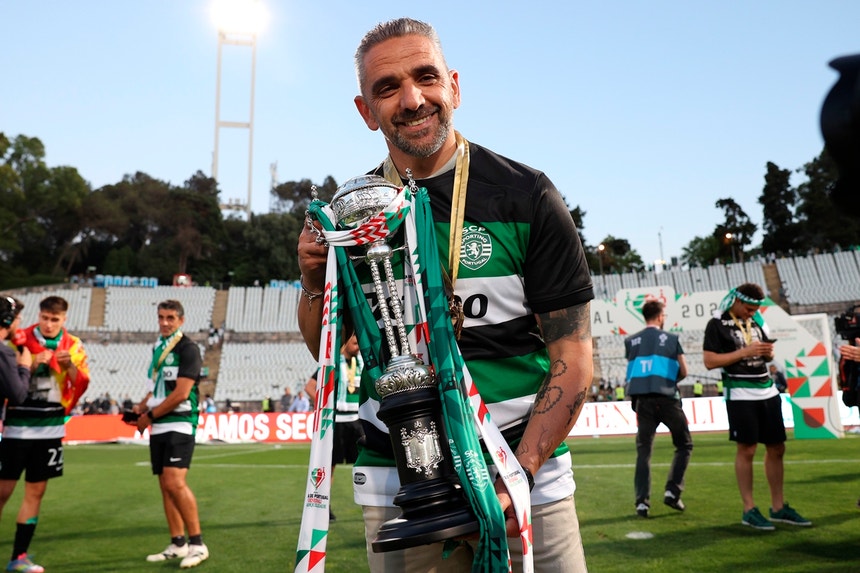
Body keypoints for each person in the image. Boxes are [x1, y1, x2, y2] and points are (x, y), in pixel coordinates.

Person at [296, 17, 594, 572]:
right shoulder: (352, 216)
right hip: (397, 484)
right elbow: (328, 351)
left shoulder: (526, 194)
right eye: (388, 87)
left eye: (426, 77)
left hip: (523, 474)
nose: (412, 100)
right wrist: (314, 282)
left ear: (453, 87)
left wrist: (519, 474)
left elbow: (573, 357)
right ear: (366, 111)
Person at [703, 283, 811, 531]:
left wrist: (767, 353)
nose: (752, 313)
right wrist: (745, 352)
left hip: (767, 390)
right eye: (749, 308)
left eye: (755, 309)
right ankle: (749, 509)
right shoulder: (716, 323)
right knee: (747, 449)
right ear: (737, 301)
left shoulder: (758, 321)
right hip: (739, 392)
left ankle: (778, 507)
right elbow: (709, 361)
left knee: (777, 447)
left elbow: (766, 356)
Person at [0, 295, 90, 573]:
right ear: (38, 316)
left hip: (50, 429)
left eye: (55, 319)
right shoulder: (19, 338)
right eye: (45, 318)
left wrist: (69, 366)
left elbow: (81, 383)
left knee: (35, 492)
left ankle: (19, 557)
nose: (49, 324)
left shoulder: (73, 345)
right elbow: (6, 375)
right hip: (16, 427)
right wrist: (29, 362)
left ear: (64, 319)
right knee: (2, 491)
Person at [130, 300, 209, 568]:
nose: (164, 322)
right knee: (165, 485)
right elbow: (156, 388)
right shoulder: (158, 347)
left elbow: (182, 393)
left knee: (175, 482)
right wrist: (141, 407)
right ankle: (178, 543)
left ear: (181, 321)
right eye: (161, 317)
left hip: (181, 422)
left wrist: (149, 416)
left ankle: (197, 544)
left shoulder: (188, 348)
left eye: (170, 318)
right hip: (160, 424)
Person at [624, 299, 692, 518]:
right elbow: (684, 371)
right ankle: (673, 491)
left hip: (643, 401)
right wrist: (668, 380)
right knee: (684, 444)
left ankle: (641, 503)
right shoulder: (671, 339)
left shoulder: (631, 341)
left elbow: (633, 371)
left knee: (643, 452)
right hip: (668, 399)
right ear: (661, 316)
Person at [305, 334, 365, 522]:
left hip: (357, 421)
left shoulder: (361, 361)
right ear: (346, 343)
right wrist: (324, 406)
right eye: (354, 343)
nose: (358, 347)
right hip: (337, 421)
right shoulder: (333, 364)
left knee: (365, 464)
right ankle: (324, 506)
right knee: (329, 467)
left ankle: (370, 505)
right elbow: (310, 387)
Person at [0, 296, 30, 408]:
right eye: (18, 319)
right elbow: (18, 396)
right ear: (7, 320)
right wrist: (24, 367)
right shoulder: (3, 353)